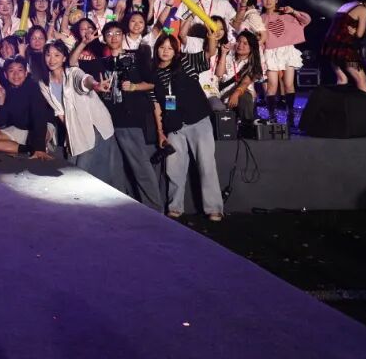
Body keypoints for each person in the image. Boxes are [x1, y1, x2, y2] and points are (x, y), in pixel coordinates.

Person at [89, 21, 163, 211]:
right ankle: (122, 209)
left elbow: (154, 83)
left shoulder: (136, 57)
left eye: (117, 33)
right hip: (108, 120)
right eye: (109, 34)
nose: (113, 37)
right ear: (104, 38)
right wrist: (83, 43)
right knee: (115, 169)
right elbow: (73, 64)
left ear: (123, 36)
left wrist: (134, 87)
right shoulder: (102, 62)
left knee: (140, 167)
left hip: (130, 119)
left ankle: (155, 210)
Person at [152, 34, 224, 221]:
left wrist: (211, 37)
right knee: (174, 168)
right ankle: (175, 207)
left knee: (206, 165)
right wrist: (160, 132)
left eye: (170, 48)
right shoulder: (154, 73)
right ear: (156, 49)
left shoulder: (185, 62)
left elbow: (209, 53)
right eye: (162, 47)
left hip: (198, 119)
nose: (165, 51)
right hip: (174, 125)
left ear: (176, 51)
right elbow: (156, 105)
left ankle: (214, 208)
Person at [38, 41, 116, 183]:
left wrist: (95, 85)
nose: (52, 59)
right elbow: (59, 111)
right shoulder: (44, 83)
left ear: (64, 58)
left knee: (86, 171)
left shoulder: (73, 72)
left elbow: (84, 81)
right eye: (48, 55)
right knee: (73, 167)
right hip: (75, 130)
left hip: (94, 126)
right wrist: (71, 132)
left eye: (57, 55)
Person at [259, 0, 311, 123]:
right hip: (270, 52)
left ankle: (290, 113)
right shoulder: (260, 18)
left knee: (288, 84)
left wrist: (293, 11)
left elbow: (306, 20)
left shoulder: (286, 15)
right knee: (272, 85)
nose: (268, 1)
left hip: (287, 51)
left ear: (276, 0)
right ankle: (272, 115)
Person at [0, 57, 55, 159]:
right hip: (19, 128)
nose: (16, 75)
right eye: (11, 71)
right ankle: (27, 149)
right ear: (5, 75)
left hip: (42, 126)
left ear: (26, 73)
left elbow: (39, 118)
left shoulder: (34, 87)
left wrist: (40, 148)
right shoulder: (3, 90)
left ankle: (39, 145)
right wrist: (1, 98)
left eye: (20, 70)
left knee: (42, 132)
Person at [320, 0, 366, 94]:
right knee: (361, 79)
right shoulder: (363, 9)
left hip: (330, 46)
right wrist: (355, 31)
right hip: (344, 48)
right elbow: (360, 34)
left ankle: (338, 103)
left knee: (342, 79)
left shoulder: (346, 5)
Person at [217, 31, 265, 126]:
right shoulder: (228, 57)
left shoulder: (253, 64)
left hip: (242, 98)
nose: (240, 45)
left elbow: (245, 82)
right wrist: (223, 54)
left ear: (251, 47)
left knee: (245, 96)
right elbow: (219, 75)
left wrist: (236, 94)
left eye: (245, 43)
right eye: (238, 41)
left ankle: (247, 127)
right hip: (223, 97)